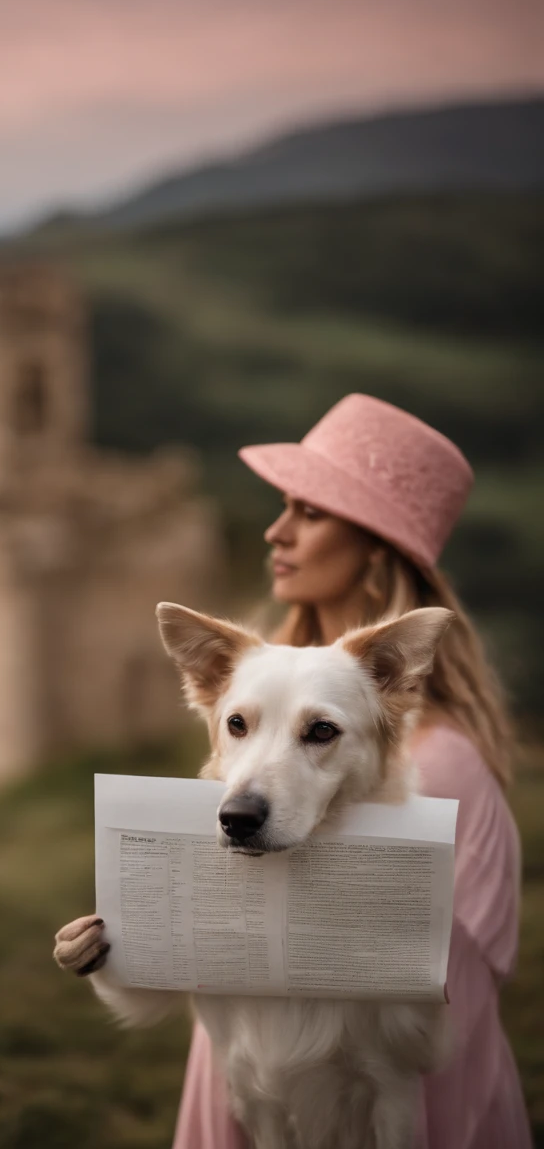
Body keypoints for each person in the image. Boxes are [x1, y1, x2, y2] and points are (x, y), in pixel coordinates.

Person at [172, 394, 532, 1149]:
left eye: (309, 512)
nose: (277, 531)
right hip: (249, 1065)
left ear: (374, 547)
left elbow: (439, 1007)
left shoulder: (445, 762)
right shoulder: (259, 689)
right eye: (283, 507)